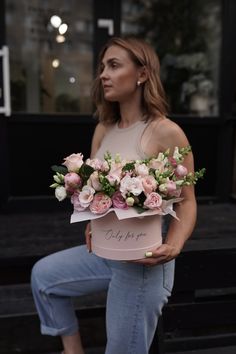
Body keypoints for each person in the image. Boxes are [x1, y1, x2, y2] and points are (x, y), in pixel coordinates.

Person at [31, 36, 197, 354]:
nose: (103, 74)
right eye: (102, 67)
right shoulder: (103, 129)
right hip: (106, 254)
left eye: (114, 65)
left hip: (143, 264)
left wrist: (174, 244)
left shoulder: (166, 132)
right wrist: (92, 222)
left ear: (142, 74)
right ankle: (73, 350)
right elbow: (92, 190)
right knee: (44, 278)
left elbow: (187, 201)